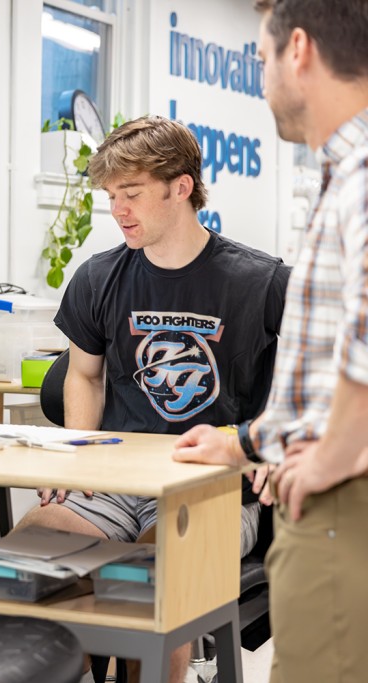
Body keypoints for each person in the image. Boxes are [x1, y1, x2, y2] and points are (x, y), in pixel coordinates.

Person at [18, 116, 289, 683]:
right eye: (112, 196)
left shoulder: (260, 282)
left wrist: (269, 448)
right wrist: (76, 453)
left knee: (153, 576)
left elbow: (317, 377)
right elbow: (84, 377)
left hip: (215, 488)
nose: (119, 209)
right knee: (30, 549)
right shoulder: (99, 278)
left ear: (181, 186)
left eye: (132, 193)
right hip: (117, 483)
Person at [173, 2, 368, 681]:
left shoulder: (363, 173)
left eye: (260, 59)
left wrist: (332, 452)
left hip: (344, 496)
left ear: (301, 51)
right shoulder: (341, 174)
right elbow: (322, 364)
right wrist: (240, 443)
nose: (259, 80)